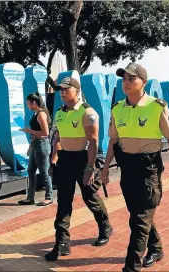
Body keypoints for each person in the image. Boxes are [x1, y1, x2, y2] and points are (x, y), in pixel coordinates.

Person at [100, 63, 169, 272]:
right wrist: (105, 167)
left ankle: (132, 266)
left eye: (131, 79)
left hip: (149, 169)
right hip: (127, 168)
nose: (126, 83)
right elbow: (113, 142)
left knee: (140, 220)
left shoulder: (157, 106)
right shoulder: (117, 108)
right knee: (138, 214)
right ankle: (156, 249)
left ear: (143, 82)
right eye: (124, 79)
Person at [45, 76, 112, 262]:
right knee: (63, 202)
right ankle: (61, 244)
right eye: (61, 89)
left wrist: (90, 168)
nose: (63, 92)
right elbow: (56, 138)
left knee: (90, 197)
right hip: (65, 160)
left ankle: (105, 226)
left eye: (67, 88)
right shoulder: (59, 113)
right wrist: (53, 160)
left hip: (83, 159)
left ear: (77, 91)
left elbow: (93, 141)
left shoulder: (87, 112)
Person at [18, 92, 53, 206]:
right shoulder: (36, 113)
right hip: (35, 144)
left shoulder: (41, 114)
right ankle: (30, 197)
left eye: (28, 104)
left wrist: (29, 131)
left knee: (44, 171)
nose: (27, 106)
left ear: (33, 103)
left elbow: (45, 132)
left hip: (42, 144)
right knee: (31, 170)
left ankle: (49, 197)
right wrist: (30, 147)